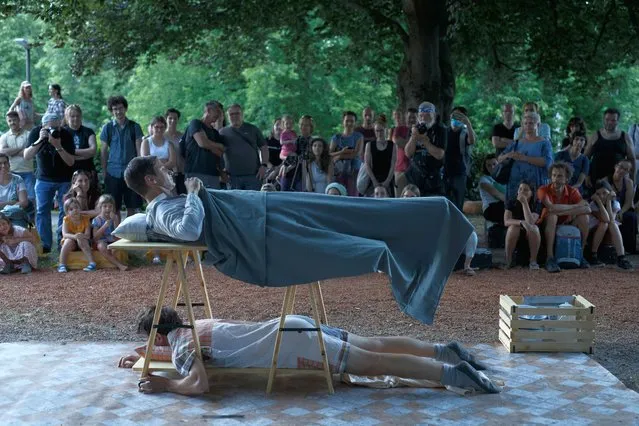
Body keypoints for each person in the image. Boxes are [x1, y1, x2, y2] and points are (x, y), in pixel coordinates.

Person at [123, 155, 474, 325]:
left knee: (353, 210)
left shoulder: (169, 200)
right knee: (359, 240)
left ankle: (440, 216)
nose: (170, 172)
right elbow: (187, 232)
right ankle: (425, 258)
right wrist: (196, 195)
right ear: (151, 182)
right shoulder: (159, 212)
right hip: (260, 229)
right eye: (163, 170)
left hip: (263, 209)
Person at [119, 306, 500, 395]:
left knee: (371, 363)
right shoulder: (195, 325)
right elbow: (185, 354)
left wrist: (164, 385)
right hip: (295, 322)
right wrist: (142, 357)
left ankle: (453, 375)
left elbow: (198, 384)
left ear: (162, 337)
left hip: (294, 345)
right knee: (375, 344)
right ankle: (444, 352)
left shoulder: (183, 346)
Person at [23, 113, 76, 253]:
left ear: (60, 124)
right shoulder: (36, 132)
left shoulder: (65, 134)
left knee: (64, 212)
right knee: (41, 211)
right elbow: (27, 156)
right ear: (43, 126)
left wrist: (58, 146)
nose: (53, 130)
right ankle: (45, 245)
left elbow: (71, 162)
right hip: (43, 179)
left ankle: (62, 242)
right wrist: (41, 139)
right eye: (50, 127)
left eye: (56, 126)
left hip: (64, 179)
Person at [537, 162, 591, 273]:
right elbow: (551, 208)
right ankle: (550, 258)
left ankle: (580, 255)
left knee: (584, 217)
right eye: (554, 175)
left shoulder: (573, 191)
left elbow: (587, 209)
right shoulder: (543, 189)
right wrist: (575, 207)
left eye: (560, 176)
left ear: (567, 179)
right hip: (547, 225)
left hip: (567, 223)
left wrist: (561, 211)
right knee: (552, 217)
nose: (556, 178)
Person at [100, 95, 144, 218]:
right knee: (114, 207)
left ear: (125, 108)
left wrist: (140, 172)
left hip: (131, 172)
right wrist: (104, 171)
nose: (118, 111)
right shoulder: (107, 128)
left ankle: (129, 234)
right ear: (111, 111)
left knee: (132, 206)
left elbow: (139, 151)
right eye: (115, 109)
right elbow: (103, 151)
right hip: (113, 173)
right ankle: (116, 235)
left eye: (120, 108)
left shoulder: (134, 127)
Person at [498, 111, 553, 202]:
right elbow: (499, 159)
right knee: (513, 211)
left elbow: (547, 162)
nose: (528, 126)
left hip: (536, 185)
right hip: (515, 185)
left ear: (538, 125)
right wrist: (509, 155)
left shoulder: (545, 143)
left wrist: (525, 158)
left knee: (534, 213)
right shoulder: (516, 143)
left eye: (531, 123)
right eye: (525, 123)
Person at [219, 104, 269, 190]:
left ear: (242, 114)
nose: (235, 116)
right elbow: (217, 152)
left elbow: (264, 148)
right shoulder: (222, 132)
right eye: (231, 114)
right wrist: (221, 172)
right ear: (227, 116)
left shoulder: (253, 129)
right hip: (232, 177)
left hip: (254, 176)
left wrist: (264, 166)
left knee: (253, 202)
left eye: (237, 113)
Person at [404, 102, 447, 197]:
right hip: (415, 175)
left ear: (434, 116)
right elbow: (408, 153)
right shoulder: (415, 128)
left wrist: (425, 141)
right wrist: (414, 137)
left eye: (427, 115)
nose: (423, 118)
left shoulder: (441, 129)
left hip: (433, 178)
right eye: (421, 116)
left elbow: (439, 154)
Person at [587, 180, 633, 269]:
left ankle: (621, 257)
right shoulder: (593, 204)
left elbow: (611, 219)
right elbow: (606, 219)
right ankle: (593, 255)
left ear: (610, 192)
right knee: (604, 223)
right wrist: (600, 203)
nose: (602, 196)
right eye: (598, 194)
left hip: (607, 231)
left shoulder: (615, 203)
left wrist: (608, 201)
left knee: (613, 224)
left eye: (605, 193)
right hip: (592, 232)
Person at [182, 101, 226, 189]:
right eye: (217, 111)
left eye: (220, 112)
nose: (219, 114)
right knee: (196, 201)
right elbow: (202, 143)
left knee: (212, 201)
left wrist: (212, 146)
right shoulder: (196, 123)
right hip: (195, 172)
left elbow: (220, 153)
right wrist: (218, 146)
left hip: (213, 174)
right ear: (209, 110)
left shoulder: (215, 133)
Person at [586, 108, 636, 185]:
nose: (609, 122)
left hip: (617, 179)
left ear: (618, 121)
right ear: (603, 120)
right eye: (607, 119)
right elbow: (586, 157)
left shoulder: (625, 137)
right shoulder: (595, 135)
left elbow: (632, 159)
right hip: (595, 178)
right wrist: (586, 175)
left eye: (613, 120)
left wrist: (632, 180)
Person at [503, 181, 541, 269]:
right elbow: (506, 221)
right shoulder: (511, 201)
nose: (522, 192)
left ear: (531, 193)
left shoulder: (536, 203)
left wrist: (524, 203)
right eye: (520, 189)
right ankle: (508, 260)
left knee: (534, 228)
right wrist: (521, 222)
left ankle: (533, 261)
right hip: (513, 232)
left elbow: (531, 222)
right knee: (513, 228)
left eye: (525, 190)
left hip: (531, 233)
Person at [444, 106, 476, 211]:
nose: (456, 118)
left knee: (458, 203)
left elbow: (471, 141)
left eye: (459, 116)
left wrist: (468, 123)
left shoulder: (464, 132)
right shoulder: (444, 131)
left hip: (459, 171)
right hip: (444, 171)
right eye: (454, 115)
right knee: (444, 201)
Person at [603, 159, 637, 254]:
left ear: (628, 172)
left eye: (626, 169)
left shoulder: (629, 182)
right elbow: (604, 201)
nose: (622, 171)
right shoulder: (605, 181)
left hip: (623, 209)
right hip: (609, 209)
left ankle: (629, 249)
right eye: (621, 167)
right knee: (612, 220)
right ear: (615, 166)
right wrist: (615, 212)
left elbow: (629, 202)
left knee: (631, 217)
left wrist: (621, 212)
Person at [0, 111, 34, 202]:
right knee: (14, 199)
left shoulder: (28, 134)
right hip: (12, 172)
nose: (12, 122)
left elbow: (29, 153)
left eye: (14, 120)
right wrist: (21, 148)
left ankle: (31, 217)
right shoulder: (4, 137)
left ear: (19, 120)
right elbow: (3, 152)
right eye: (9, 121)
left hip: (28, 172)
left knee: (31, 198)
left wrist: (11, 151)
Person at [330, 111, 364, 196]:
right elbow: (329, 154)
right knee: (338, 194)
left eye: (352, 121)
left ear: (355, 123)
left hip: (354, 171)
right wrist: (342, 152)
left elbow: (356, 154)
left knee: (353, 195)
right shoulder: (336, 137)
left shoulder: (359, 136)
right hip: (338, 171)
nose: (349, 123)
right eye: (347, 121)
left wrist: (339, 156)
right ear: (343, 122)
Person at [58, 198, 96, 273]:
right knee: (68, 241)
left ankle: (92, 263)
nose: (75, 210)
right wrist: (75, 236)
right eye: (71, 209)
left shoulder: (85, 219)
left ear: (80, 208)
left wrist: (80, 236)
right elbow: (65, 234)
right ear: (67, 212)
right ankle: (62, 264)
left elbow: (87, 235)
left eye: (76, 207)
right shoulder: (66, 219)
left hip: (83, 241)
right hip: (71, 241)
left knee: (81, 239)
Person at [362, 115, 397, 196]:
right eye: (377, 131)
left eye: (381, 130)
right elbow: (367, 164)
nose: (379, 133)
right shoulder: (369, 145)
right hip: (373, 178)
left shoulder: (392, 145)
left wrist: (387, 181)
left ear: (386, 130)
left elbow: (393, 165)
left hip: (388, 178)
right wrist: (374, 181)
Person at [92, 194, 128, 271]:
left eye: (110, 206)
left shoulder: (115, 217)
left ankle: (116, 262)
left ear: (113, 207)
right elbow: (95, 237)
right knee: (101, 246)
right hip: (101, 241)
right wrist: (104, 226)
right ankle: (119, 265)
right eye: (105, 206)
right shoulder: (96, 220)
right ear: (100, 207)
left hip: (112, 239)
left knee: (118, 245)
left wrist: (115, 221)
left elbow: (117, 235)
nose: (108, 209)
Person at [64, 105, 97, 180]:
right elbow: (61, 153)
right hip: (67, 174)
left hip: (87, 172)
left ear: (81, 116)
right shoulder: (62, 133)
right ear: (66, 117)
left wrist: (71, 152)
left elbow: (93, 150)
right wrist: (85, 155)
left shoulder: (89, 132)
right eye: (72, 116)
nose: (75, 118)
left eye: (77, 116)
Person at [391, 108, 412, 197]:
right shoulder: (396, 129)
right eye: (395, 115)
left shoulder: (408, 129)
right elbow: (396, 142)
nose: (397, 117)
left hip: (410, 167)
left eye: (399, 115)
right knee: (399, 195)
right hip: (398, 166)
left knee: (411, 194)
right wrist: (410, 143)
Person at [479, 154, 506, 225]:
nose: (492, 167)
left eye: (494, 164)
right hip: (490, 208)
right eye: (489, 165)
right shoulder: (483, 180)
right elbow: (497, 194)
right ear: (485, 167)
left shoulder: (504, 178)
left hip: (503, 204)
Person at [164, 108, 185, 194]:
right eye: (170, 118)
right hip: (167, 173)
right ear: (166, 119)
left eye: (175, 118)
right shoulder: (162, 137)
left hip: (182, 172)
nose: (172, 120)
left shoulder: (182, 136)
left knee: (183, 197)